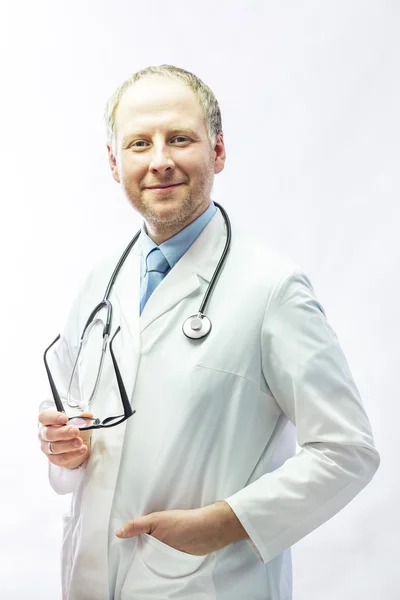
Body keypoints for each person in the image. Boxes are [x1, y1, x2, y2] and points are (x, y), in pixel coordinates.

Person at [38, 64, 380, 600]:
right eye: (138, 144)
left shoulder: (272, 288)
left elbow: (347, 449)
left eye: (179, 138)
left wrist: (225, 522)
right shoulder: (101, 278)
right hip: (91, 579)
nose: (159, 161)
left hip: (210, 584)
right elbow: (75, 414)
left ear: (217, 151)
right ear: (113, 162)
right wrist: (64, 448)